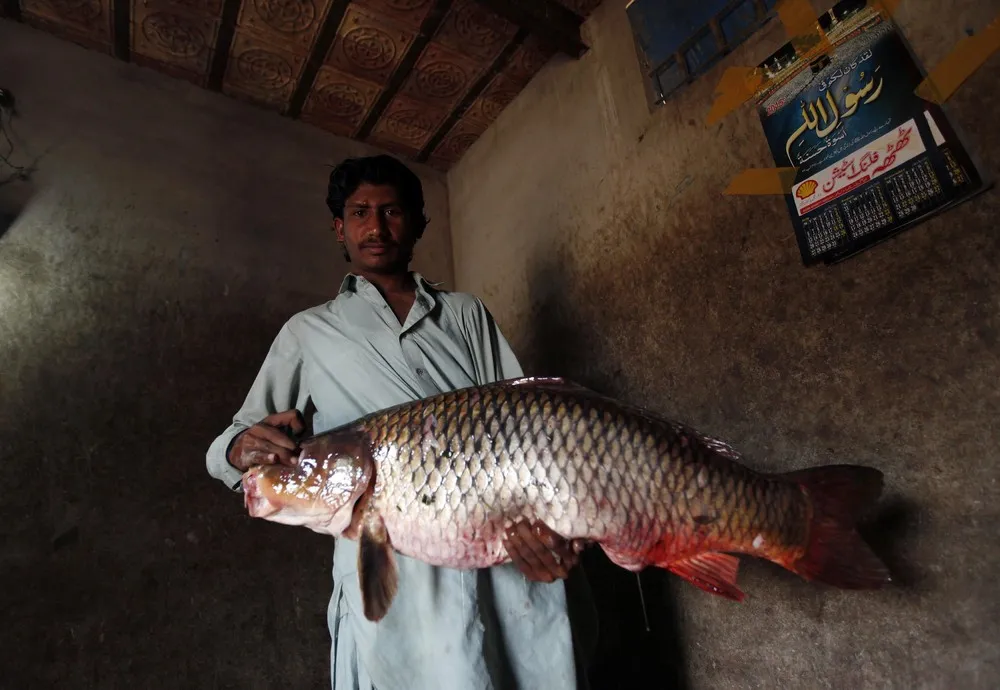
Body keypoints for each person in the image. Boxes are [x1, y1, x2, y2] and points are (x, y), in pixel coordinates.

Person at [206, 155, 596, 690]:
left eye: (392, 211)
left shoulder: (464, 314)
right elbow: (234, 440)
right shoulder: (308, 332)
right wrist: (240, 448)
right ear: (339, 228)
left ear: (415, 223)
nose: (376, 227)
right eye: (360, 212)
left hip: (493, 541)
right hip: (387, 561)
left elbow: (525, 426)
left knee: (510, 665)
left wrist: (547, 527)